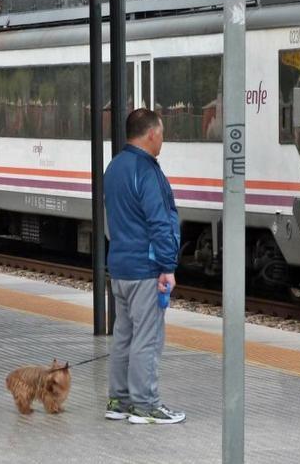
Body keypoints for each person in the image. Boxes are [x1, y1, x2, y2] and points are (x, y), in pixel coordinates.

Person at [103, 108, 185, 424]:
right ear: (151, 134)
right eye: (161, 133)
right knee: (147, 339)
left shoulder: (114, 167)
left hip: (120, 268)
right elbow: (160, 221)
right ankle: (145, 405)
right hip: (145, 269)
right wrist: (167, 266)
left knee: (123, 336)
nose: (162, 140)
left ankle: (119, 401)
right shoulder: (147, 171)